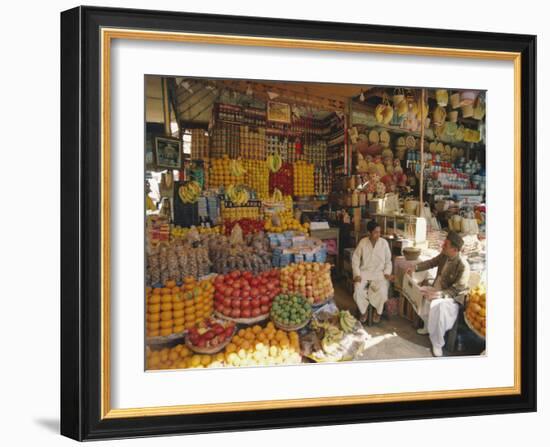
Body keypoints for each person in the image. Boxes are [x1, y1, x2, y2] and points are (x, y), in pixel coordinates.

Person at [406, 231, 470, 357]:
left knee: (438, 306)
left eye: (445, 245)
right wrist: (415, 267)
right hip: (436, 289)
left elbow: (457, 290)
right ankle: (427, 325)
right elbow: (431, 262)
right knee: (420, 292)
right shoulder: (444, 255)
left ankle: (438, 343)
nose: (442, 246)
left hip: (451, 298)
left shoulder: (463, 266)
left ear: (455, 249)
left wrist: (439, 295)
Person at [352, 220, 394, 324]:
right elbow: (355, 259)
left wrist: (387, 273)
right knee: (357, 290)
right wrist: (357, 274)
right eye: (375, 232)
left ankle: (378, 312)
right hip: (364, 273)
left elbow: (388, 261)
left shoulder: (384, 243)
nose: (378, 234)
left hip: (379, 274)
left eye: (379, 232)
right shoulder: (363, 242)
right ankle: (363, 311)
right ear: (369, 233)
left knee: (383, 291)